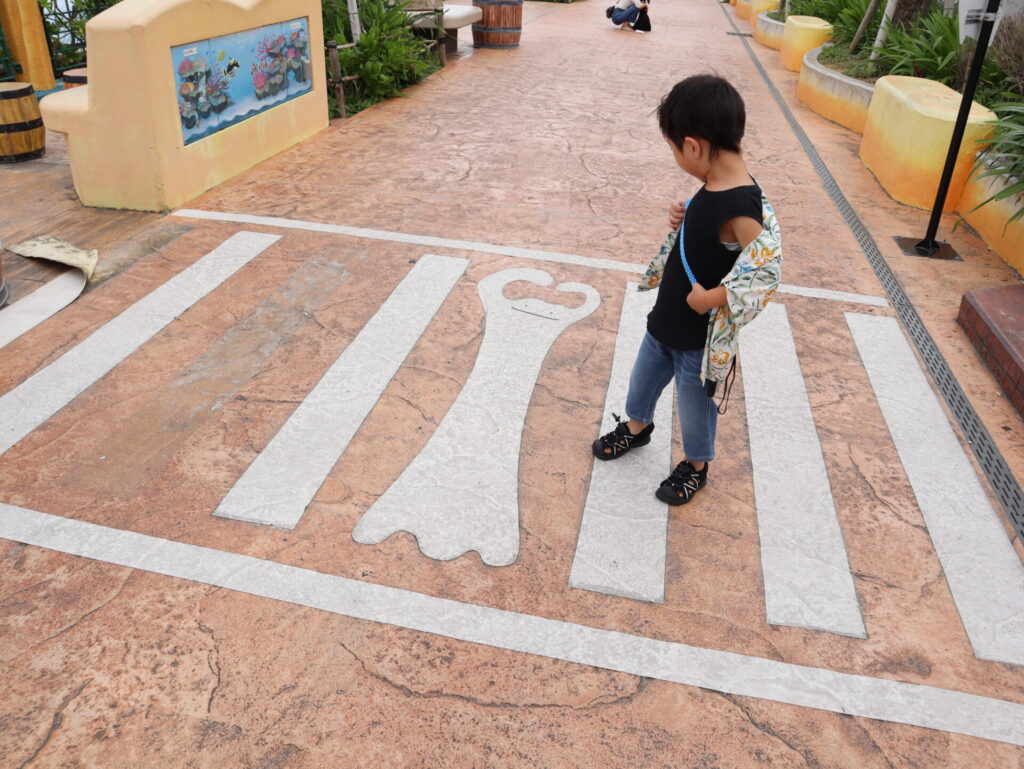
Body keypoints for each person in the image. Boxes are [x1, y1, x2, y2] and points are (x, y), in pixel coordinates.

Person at [592, 74, 782, 505]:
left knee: (695, 411)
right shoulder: (718, 182)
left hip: (698, 337)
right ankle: (637, 428)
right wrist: (686, 215)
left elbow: (766, 272)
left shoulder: (741, 207)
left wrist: (715, 298)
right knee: (641, 384)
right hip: (666, 321)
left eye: (676, 149)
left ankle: (697, 465)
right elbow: (710, 234)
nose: (677, 156)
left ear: (694, 146)